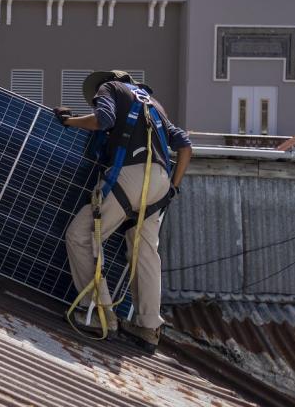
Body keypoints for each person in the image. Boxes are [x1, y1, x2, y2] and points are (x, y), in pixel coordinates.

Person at [54, 70, 192, 352]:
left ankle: (100, 313)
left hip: (129, 176)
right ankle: (148, 327)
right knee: (145, 252)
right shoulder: (154, 105)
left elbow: (103, 120)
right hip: (161, 182)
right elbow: (186, 146)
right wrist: (173, 188)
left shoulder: (110, 88)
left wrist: (69, 120)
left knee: (81, 236)